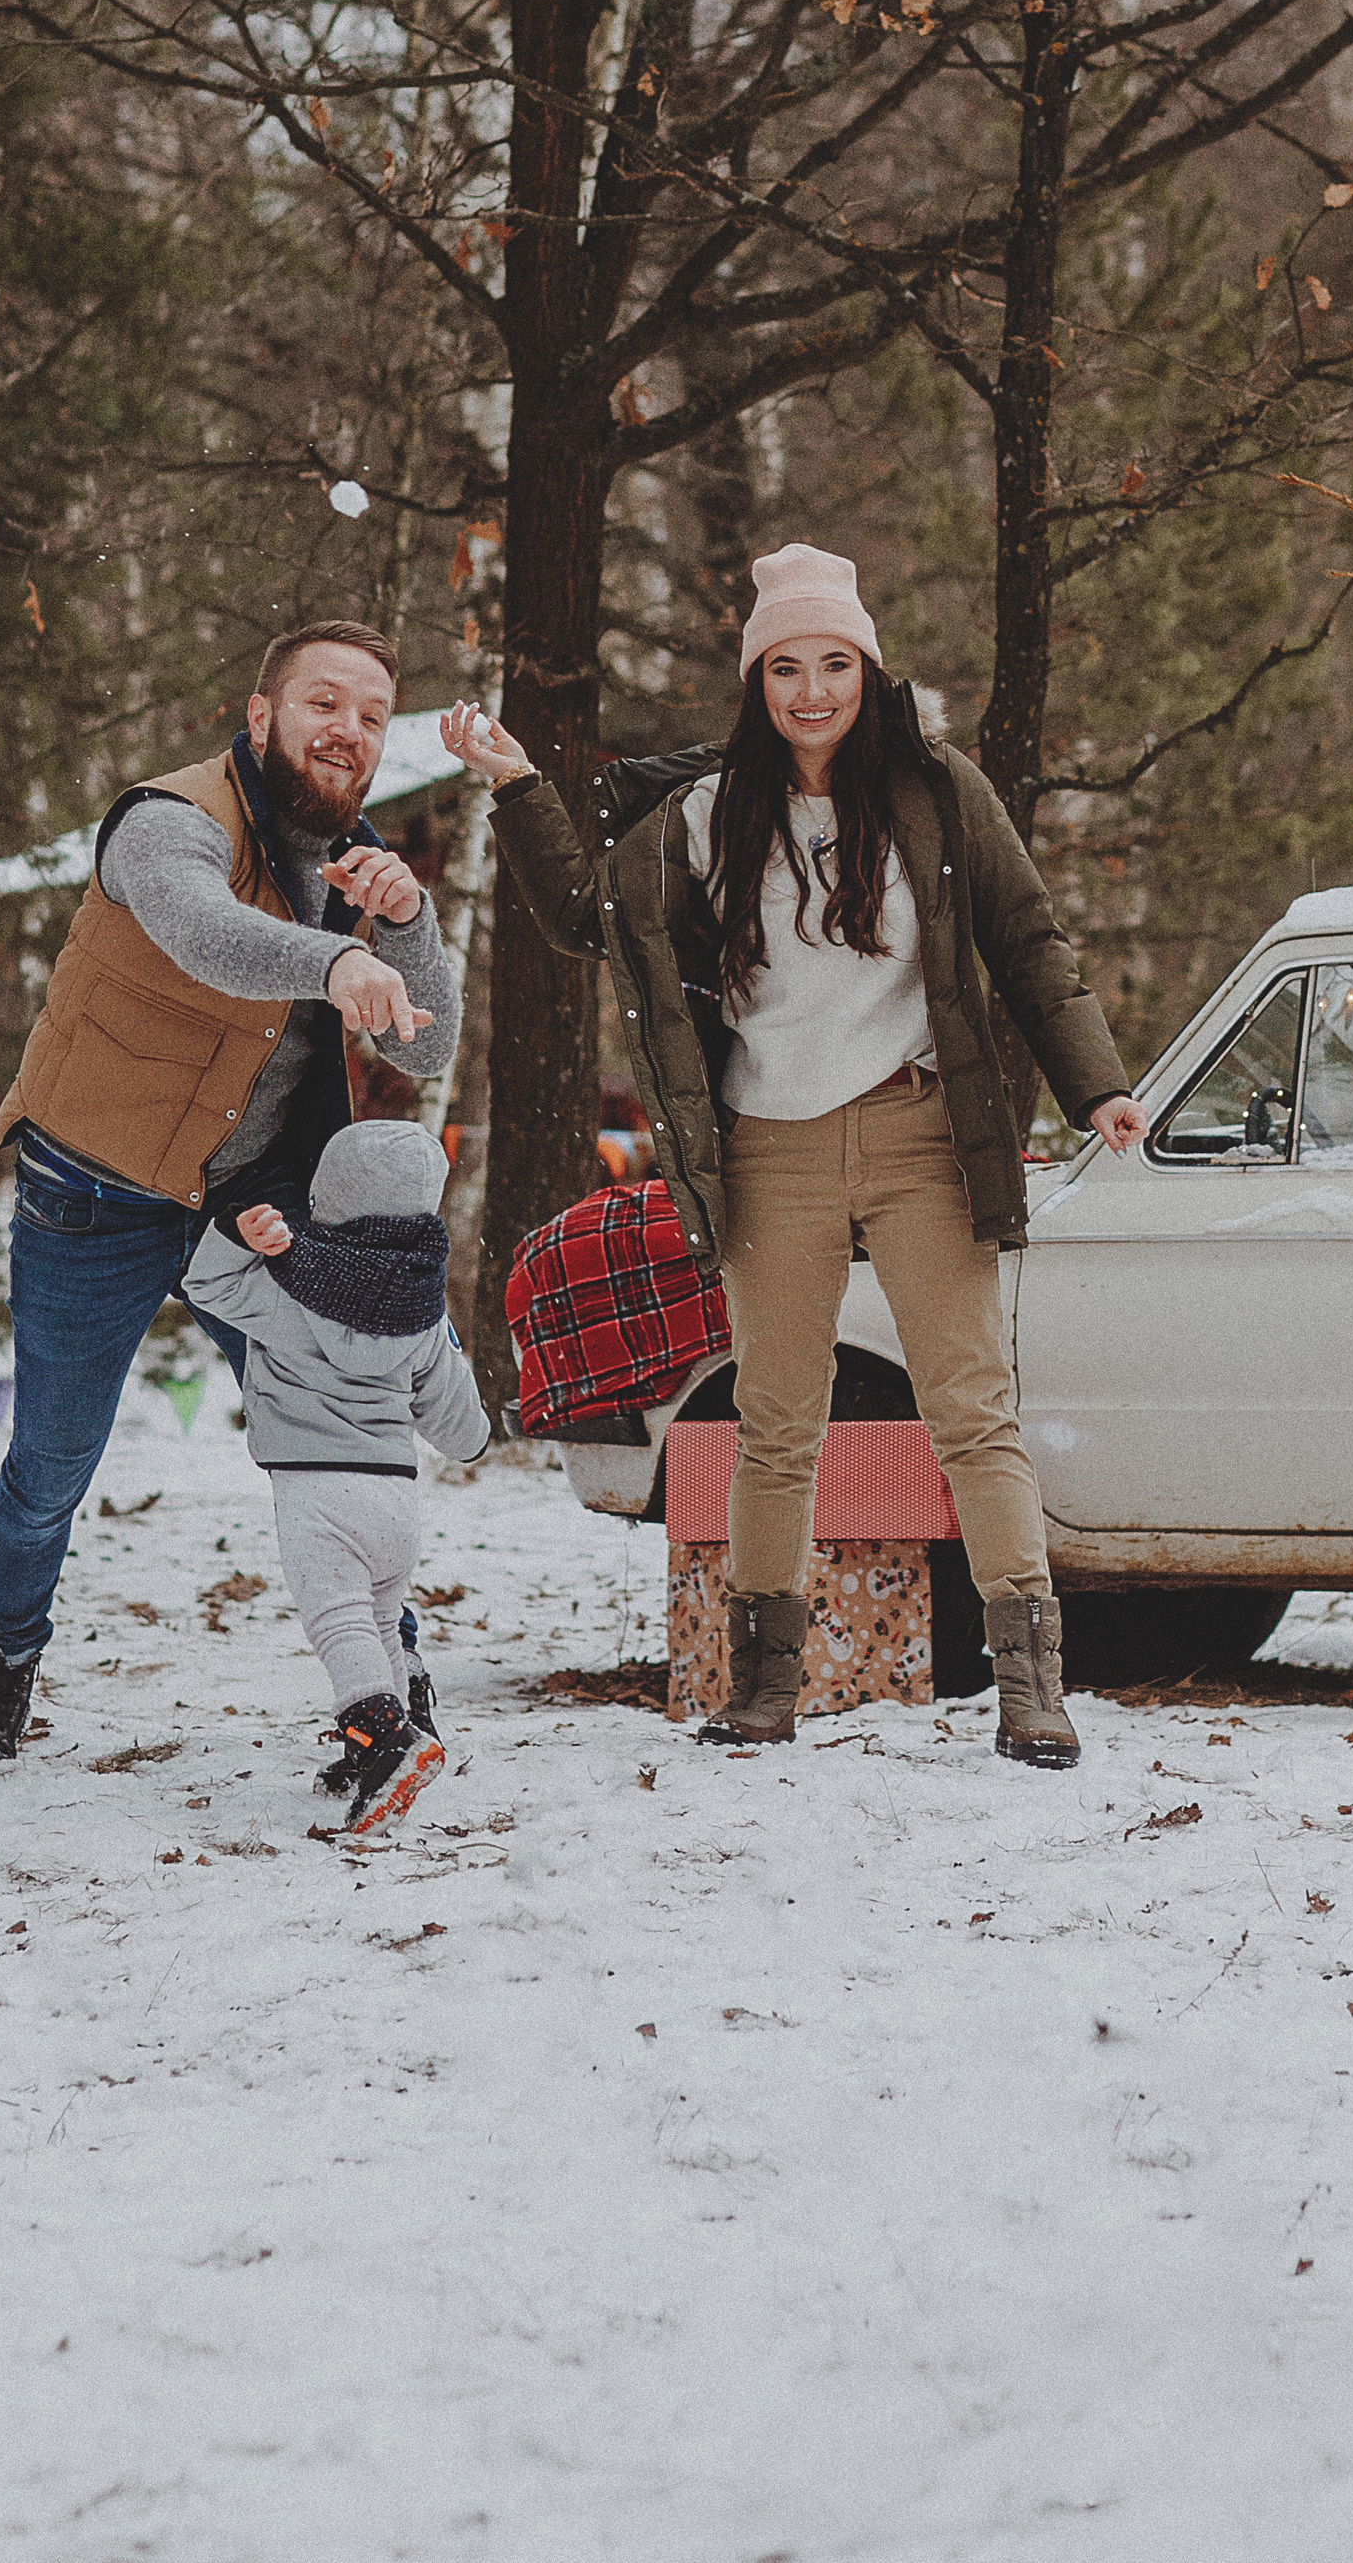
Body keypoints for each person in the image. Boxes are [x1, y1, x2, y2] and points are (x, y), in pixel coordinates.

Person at [442, 541, 1147, 1768]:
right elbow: (581, 920)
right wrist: (515, 785)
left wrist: (1100, 1085)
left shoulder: (939, 792)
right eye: (785, 666)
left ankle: (1032, 1684)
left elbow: (1028, 940)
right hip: (768, 1147)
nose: (810, 689)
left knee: (970, 1410)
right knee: (775, 1422)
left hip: (923, 1129)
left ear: (868, 670)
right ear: (756, 678)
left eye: (833, 662)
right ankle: (765, 1679)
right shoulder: (710, 812)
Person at [0, 624, 464, 1765]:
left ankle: (389, 1669)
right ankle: (0, 1659)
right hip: (99, 1189)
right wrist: (331, 957)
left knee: (336, 1429)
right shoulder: (166, 820)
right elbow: (204, 936)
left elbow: (428, 1052)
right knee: (50, 1469)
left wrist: (408, 923)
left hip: (255, 1202)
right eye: (325, 703)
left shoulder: (356, 858)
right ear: (262, 714)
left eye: (371, 717)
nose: (349, 733)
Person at [185, 1120, 489, 1836]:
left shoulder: (289, 1286)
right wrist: (475, 1431)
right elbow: (461, 1428)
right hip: (394, 1495)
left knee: (338, 1618)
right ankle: (390, 1734)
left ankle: (383, 1737)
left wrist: (239, 1233)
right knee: (380, 1616)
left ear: (325, 1197)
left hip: (317, 1490)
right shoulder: (420, 1313)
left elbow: (205, 1283)